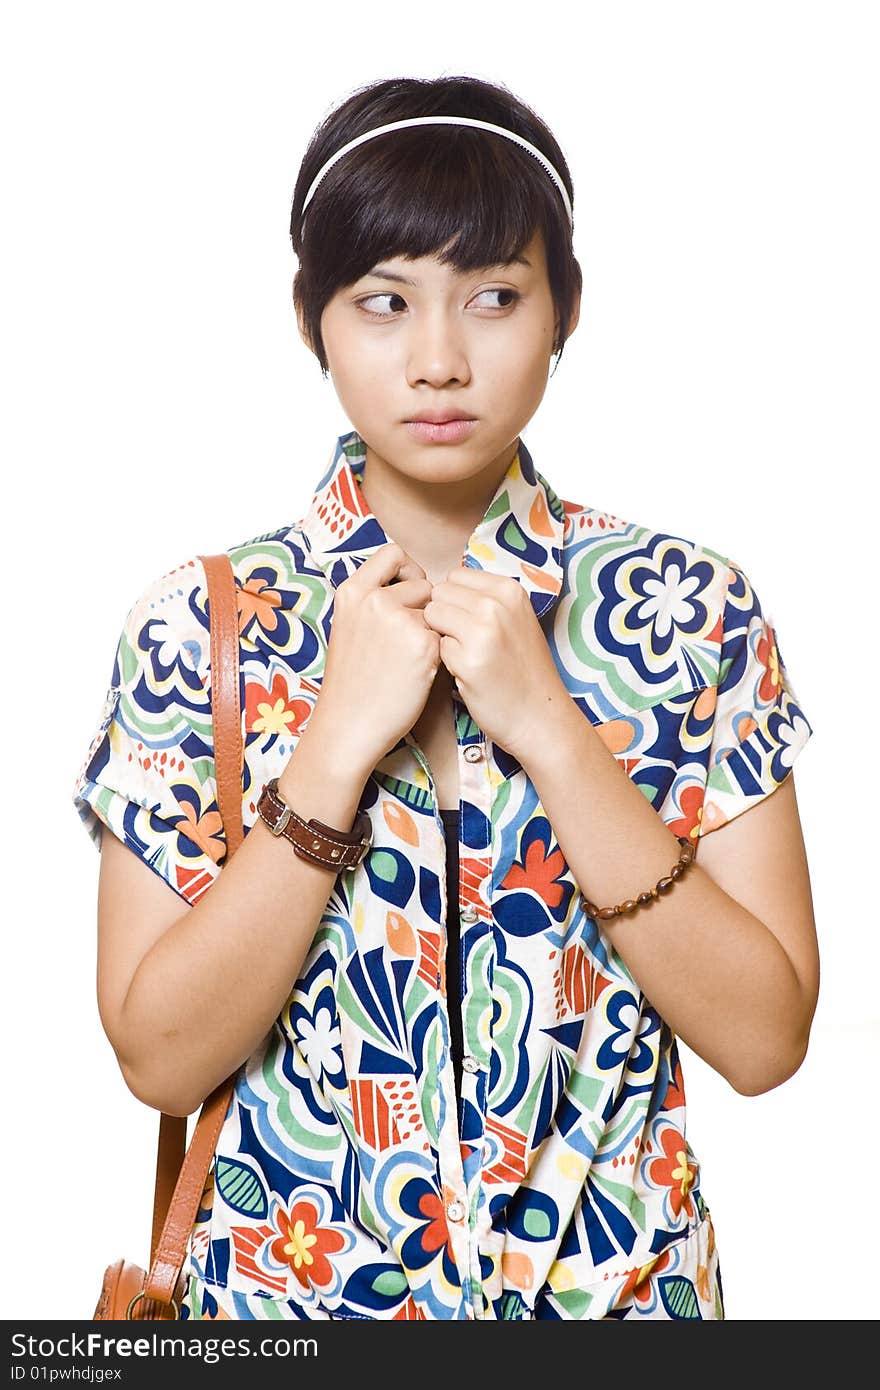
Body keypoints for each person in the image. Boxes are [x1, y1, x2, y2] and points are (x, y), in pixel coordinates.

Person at [72, 74, 818, 1322]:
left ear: (564, 308)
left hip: (620, 1303)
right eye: (382, 302)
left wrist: (552, 731)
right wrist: (332, 749)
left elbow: (764, 1039)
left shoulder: (689, 607)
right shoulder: (198, 623)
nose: (437, 359)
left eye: (493, 297)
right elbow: (160, 1058)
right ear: (311, 320)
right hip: (291, 1314)